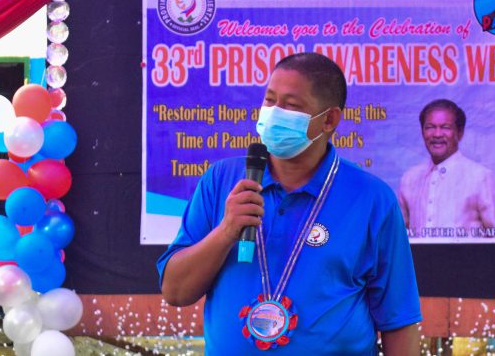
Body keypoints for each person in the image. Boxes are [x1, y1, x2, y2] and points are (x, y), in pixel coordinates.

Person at [158, 52, 422, 355]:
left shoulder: (372, 199)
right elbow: (175, 291)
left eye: (291, 106)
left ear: (330, 119)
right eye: (270, 100)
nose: (274, 113)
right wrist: (226, 231)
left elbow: (398, 321)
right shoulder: (221, 180)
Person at [399, 99, 495, 240]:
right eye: (430, 127)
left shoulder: (480, 177)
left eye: (445, 127)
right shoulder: (410, 179)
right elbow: (398, 240)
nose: (437, 134)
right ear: (422, 132)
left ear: (460, 133)